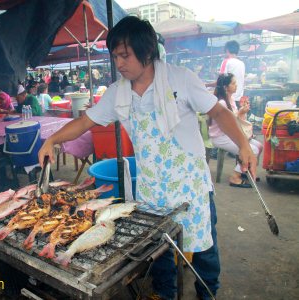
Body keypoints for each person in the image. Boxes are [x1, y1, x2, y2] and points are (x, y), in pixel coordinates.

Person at [38, 16, 257, 300]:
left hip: (190, 185)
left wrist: (244, 144)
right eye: (115, 55)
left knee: (204, 248)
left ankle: (207, 293)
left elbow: (219, 112)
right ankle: (166, 294)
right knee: (160, 248)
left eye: (125, 55)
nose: (119, 63)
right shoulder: (118, 92)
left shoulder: (181, 79)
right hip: (153, 188)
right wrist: (52, 139)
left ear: (147, 50)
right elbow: (85, 122)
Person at [208, 73, 263, 188]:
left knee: (259, 146)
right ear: (225, 87)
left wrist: (241, 112)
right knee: (252, 150)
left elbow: (235, 120)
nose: (236, 85)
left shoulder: (231, 100)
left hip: (229, 134)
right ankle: (235, 177)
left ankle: (245, 171)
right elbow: (228, 122)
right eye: (233, 83)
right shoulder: (222, 103)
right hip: (220, 137)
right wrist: (241, 112)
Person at [220, 40, 245, 105]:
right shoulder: (242, 63)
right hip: (239, 97)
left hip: (229, 98)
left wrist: (207, 85)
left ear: (227, 50)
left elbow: (220, 80)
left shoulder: (226, 62)